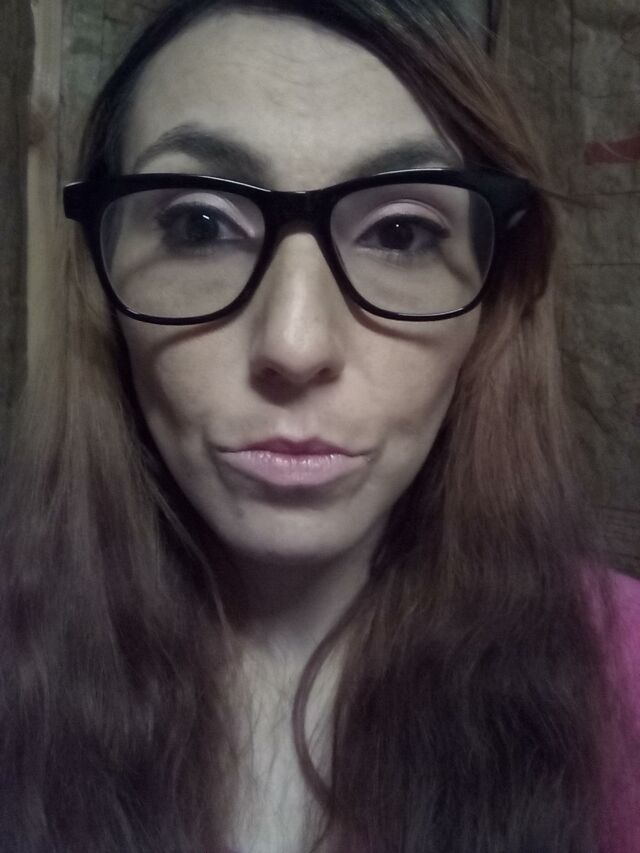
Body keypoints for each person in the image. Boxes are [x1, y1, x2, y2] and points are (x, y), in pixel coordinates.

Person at [0, 1, 638, 851]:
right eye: (198, 225)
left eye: (401, 233)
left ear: (492, 303)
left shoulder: (624, 674)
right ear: (101, 277)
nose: (295, 344)